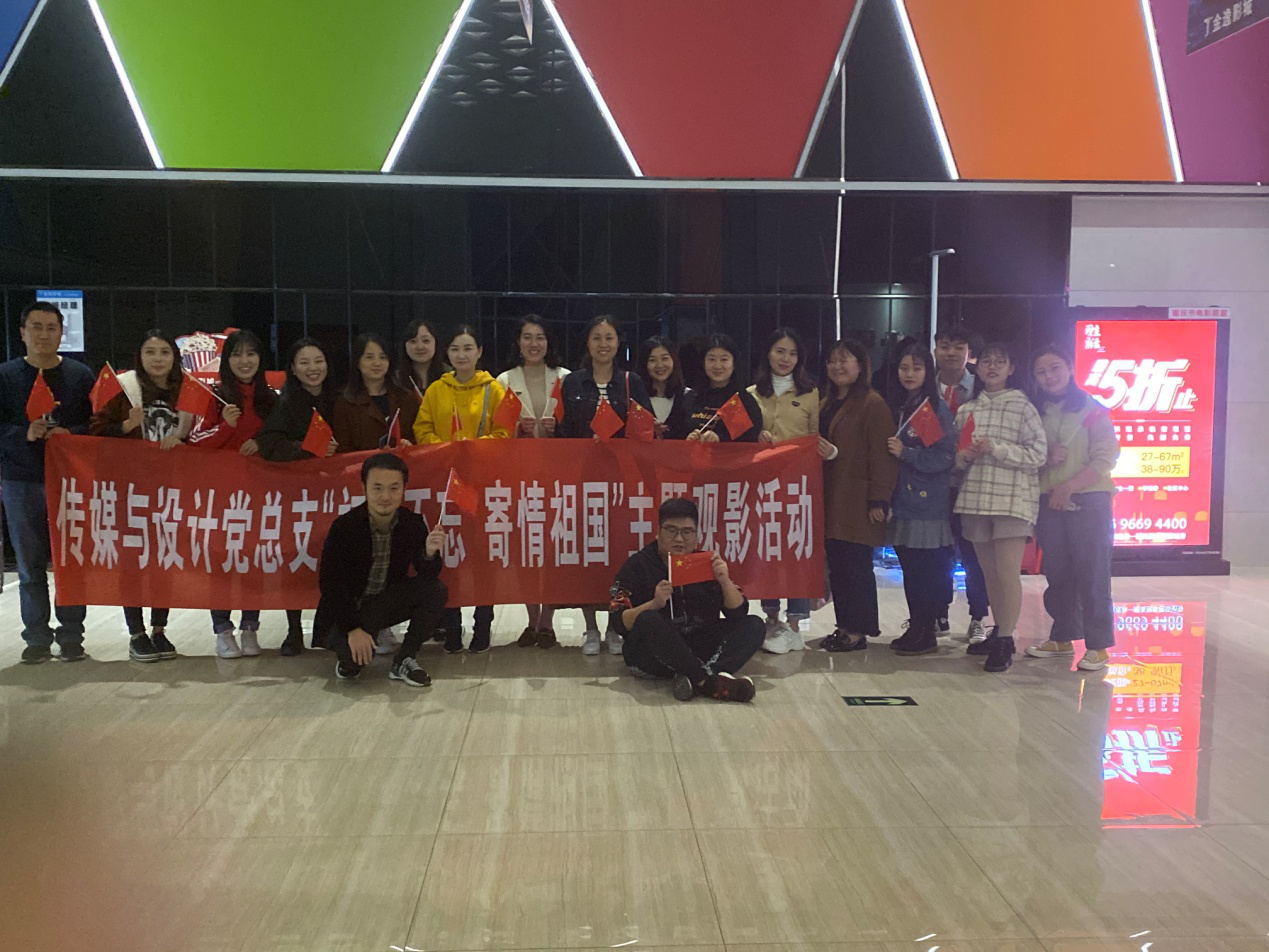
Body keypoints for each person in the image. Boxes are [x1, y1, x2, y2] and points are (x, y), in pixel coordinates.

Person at [188, 329, 303, 658]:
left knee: (254, 561)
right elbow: (195, 441)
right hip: (222, 497)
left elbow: (280, 440)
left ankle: (250, 627)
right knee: (222, 563)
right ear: (227, 360)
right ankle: (223, 631)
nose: (244, 361)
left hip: (260, 496)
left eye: (251, 353)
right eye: (237, 354)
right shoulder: (214, 395)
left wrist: (262, 444)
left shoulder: (272, 398)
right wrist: (226, 426)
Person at [0, 302, 94, 663]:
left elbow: (97, 424)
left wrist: (72, 433)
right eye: (36, 327)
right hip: (21, 481)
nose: (43, 334)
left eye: (51, 327)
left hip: (71, 483)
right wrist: (24, 433)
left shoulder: (80, 376)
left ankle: (72, 635)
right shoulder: (5, 376)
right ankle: (36, 637)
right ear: (22, 333)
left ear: (61, 333)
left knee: (71, 562)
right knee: (30, 566)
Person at [90, 329, 192, 663]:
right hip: (130, 490)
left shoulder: (186, 391)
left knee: (163, 559)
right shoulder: (124, 389)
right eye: (150, 351)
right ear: (140, 356)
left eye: (164, 352)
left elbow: (199, 436)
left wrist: (184, 442)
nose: (158, 359)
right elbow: (94, 432)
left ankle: (159, 629)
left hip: (171, 489)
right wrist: (125, 426)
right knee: (132, 561)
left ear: (174, 357)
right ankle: (136, 633)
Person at [557, 315, 653, 655]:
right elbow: (563, 434)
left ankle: (615, 625)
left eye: (609, 337)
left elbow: (646, 429)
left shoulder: (631, 382)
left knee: (616, 553)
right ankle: (590, 628)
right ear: (588, 342)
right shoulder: (572, 383)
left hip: (621, 481)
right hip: (584, 480)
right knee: (588, 553)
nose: (603, 344)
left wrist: (619, 440)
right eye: (597, 337)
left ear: (617, 342)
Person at [414, 324, 510, 653]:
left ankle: (483, 624)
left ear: (479, 352)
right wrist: (445, 449)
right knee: (449, 556)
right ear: (448, 353)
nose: (462, 355)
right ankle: (451, 625)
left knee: (482, 557)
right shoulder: (436, 390)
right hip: (444, 484)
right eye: (455, 349)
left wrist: (473, 449)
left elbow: (505, 433)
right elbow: (422, 428)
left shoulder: (494, 389)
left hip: (483, 485)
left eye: (468, 348)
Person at [314, 453, 448, 687]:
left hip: (382, 604)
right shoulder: (345, 527)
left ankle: (405, 658)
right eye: (377, 488)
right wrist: (352, 629)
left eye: (394, 488)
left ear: (403, 489)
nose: (385, 496)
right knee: (352, 667)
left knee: (435, 590)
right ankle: (347, 652)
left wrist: (428, 553)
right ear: (364, 488)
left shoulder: (411, 523)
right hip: (348, 609)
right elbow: (331, 585)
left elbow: (427, 575)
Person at [609, 497, 763, 702]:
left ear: (696, 534)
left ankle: (697, 678)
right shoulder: (637, 565)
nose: (679, 539)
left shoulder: (706, 563)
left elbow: (738, 614)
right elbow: (618, 621)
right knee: (648, 619)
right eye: (671, 531)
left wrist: (724, 580)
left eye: (687, 532)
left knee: (754, 624)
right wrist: (654, 604)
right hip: (653, 655)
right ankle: (709, 682)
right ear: (658, 531)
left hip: (698, 646)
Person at [953, 341, 1047, 674]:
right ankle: (998, 630)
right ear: (977, 367)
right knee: (988, 572)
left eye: (1000, 362)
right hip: (975, 498)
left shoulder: (1023, 407)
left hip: (1012, 500)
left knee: (1007, 572)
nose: (992, 367)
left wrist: (997, 449)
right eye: (987, 362)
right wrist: (965, 457)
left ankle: (1006, 638)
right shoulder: (967, 410)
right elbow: (956, 461)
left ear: (1011, 369)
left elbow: (1038, 454)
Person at [1026, 344, 1120, 672]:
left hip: (1088, 500)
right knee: (1057, 572)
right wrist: (1045, 457)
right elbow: (1027, 453)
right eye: (1041, 371)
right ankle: (1062, 637)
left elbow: (1106, 457)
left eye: (1055, 368)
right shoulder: (1034, 411)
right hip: (1049, 501)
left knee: (1092, 572)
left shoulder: (1093, 409)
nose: (1048, 376)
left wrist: (1069, 487)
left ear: (1070, 368)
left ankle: (1098, 645)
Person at [256, 337, 339, 655]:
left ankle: (330, 626)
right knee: (297, 560)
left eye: (318, 361)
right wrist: (308, 449)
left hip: (336, 493)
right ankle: (293, 630)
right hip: (299, 496)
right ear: (292, 368)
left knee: (333, 561)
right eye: (304, 362)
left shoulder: (339, 399)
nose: (312, 368)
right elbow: (270, 444)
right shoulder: (286, 403)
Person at [817, 338, 898, 652]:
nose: (837, 367)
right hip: (830, 496)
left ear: (861, 366)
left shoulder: (872, 403)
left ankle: (858, 630)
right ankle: (843, 626)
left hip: (856, 498)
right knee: (838, 564)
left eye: (844, 360)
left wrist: (879, 498)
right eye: (832, 361)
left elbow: (882, 455)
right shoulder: (826, 401)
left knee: (856, 566)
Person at [496, 316, 570, 648]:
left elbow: (577, 426)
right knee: (526, 547)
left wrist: (559, 429)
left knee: (552, 548)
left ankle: (547, 621)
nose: (534, 344)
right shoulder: (504, 380)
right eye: (527, 337)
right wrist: (516, 430)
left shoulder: (565, 378)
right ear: (518, 342)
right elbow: (497, 428)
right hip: (520, 475)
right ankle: (530, 619)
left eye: (540, 337)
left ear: (548, 342)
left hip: (557, 475)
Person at [748, 326, 819, 652]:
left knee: (796, 551)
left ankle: (795, 624)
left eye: (792, 353)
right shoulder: (751, 394)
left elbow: (815, 439)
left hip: (798, 488)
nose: (785, 358)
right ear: (768, 353)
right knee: (768, 550)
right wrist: (756, 438)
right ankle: (772, 618)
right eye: (780, 351)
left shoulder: (811, 394)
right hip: (762, 488)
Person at [884, 345, 957, 657]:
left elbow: (943, 456)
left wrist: (907, 453)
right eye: (904, 368)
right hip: (904, 501)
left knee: (925, 570)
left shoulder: (930, 410)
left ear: (928, 372)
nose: (909, 374)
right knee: (911, 569)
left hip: (926, 505)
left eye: (916, 368)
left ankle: (926, 631)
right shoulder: (902, 406)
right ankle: (917, 626)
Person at [934, 323, 989, 643]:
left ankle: (978, 616)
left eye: (958, 347)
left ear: (969, 353)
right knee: (938, 552)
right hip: (935, 485)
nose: (951, 353)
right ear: (935, 350)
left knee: (973, 555)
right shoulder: (926, 388)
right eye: (945, 346)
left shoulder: (982, 388)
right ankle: (938, 612)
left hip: (972, 484)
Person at [333, 332, 420, 452]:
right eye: (369, 357)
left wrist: (409, 444)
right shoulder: (345, 402)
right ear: (357, 362)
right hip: (362, 463)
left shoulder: (406, 397)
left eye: (383, 357)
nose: (377, 363)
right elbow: (343, 448)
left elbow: (418, 436)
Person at [676, 333, 762, 442]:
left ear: (734, 364)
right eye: (711, 359)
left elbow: (750, 439)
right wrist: (687, 438)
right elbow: (676, 433)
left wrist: (720, 439)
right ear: (703, 363)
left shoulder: (744, 401)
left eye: (724, 360)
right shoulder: (690, 399)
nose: (717, 366)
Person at [636, 335, 693, 439]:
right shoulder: (636, 398)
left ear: (674, 360)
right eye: (652, 360)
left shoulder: (688, 397)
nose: (660, 365)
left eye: (665, 358)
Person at [394, 318, 448, 398]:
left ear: (436, 343)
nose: (420, 347)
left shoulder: (450, 375)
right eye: (413, 341)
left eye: (426, 341)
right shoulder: (396, 379)